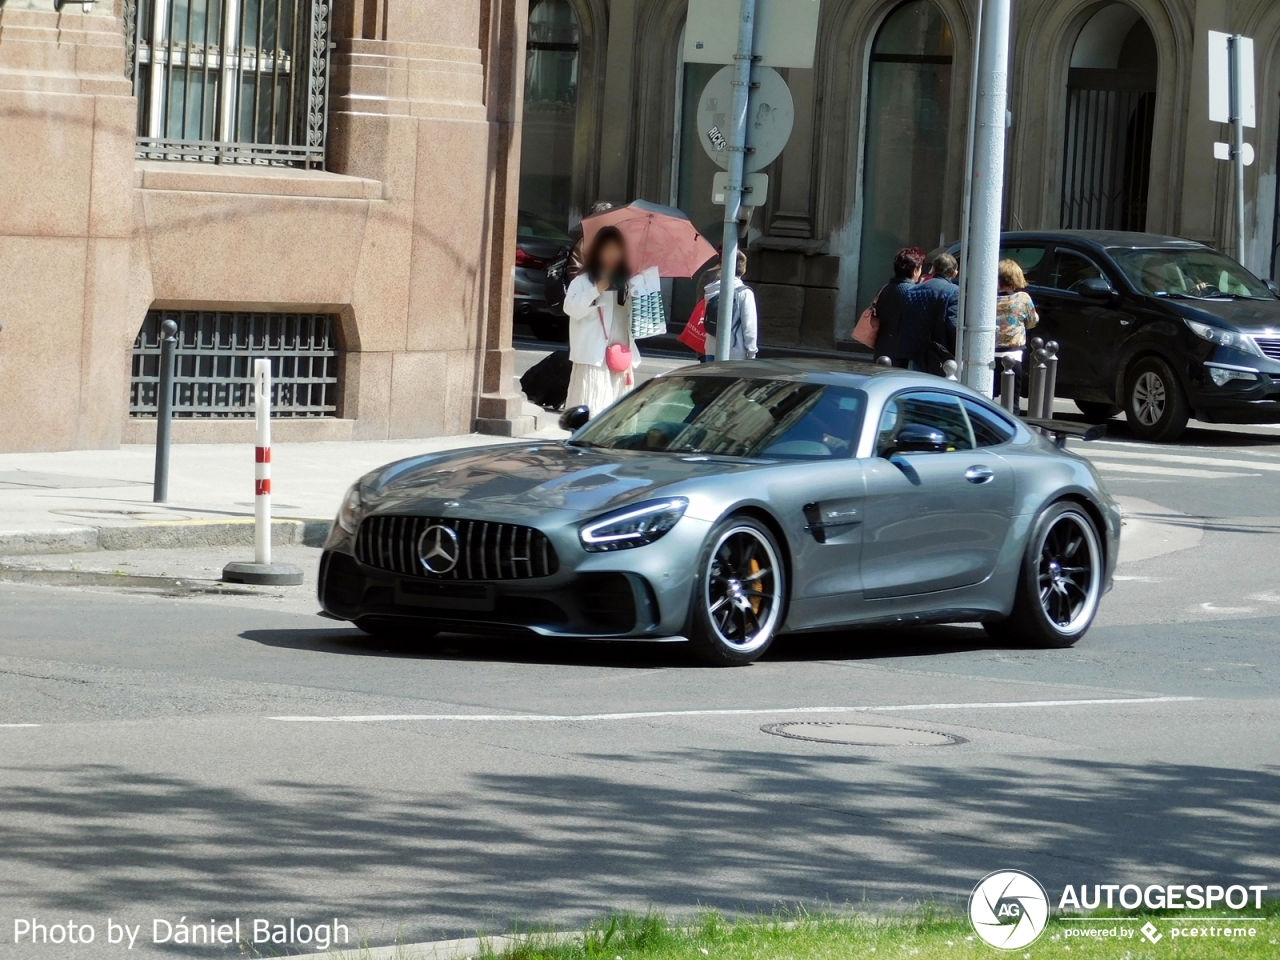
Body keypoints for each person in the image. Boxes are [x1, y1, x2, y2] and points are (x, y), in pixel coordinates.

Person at [562, 226, 640, 412]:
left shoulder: (628, 281)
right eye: (607, 249)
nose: (612, 255)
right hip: (593, 354)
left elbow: (633, 317)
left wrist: (638, 290)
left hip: (620, 350)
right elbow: (570, 308)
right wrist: (595, 290)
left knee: (617, 405)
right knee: (593, 400)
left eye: (617, 249)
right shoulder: (584, 280)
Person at [872, 247, 934, 368]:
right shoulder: (914, 292)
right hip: (903, 354)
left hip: (882, 349)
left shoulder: (884, 289)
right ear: (915, 270)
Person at [994, 258, 1040, 399]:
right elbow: (1033, 322)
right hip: (1014, 355)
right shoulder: (1023, 298)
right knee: (1012, 402)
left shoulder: (989, 298)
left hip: (990, 354)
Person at [703, 250, 759, 361]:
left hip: (711, 348)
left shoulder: (711, 290)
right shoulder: (744, 292)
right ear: (743, 270)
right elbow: (749, 326)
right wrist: (752, 352)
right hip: (734, 352)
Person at [920, 252, 960, 374]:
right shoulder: (953, 291)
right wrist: (959, 352)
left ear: (933, 269)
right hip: (941, 355)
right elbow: (953, 325)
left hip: (916, 354)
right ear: (954, 273)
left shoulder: (916, 288)